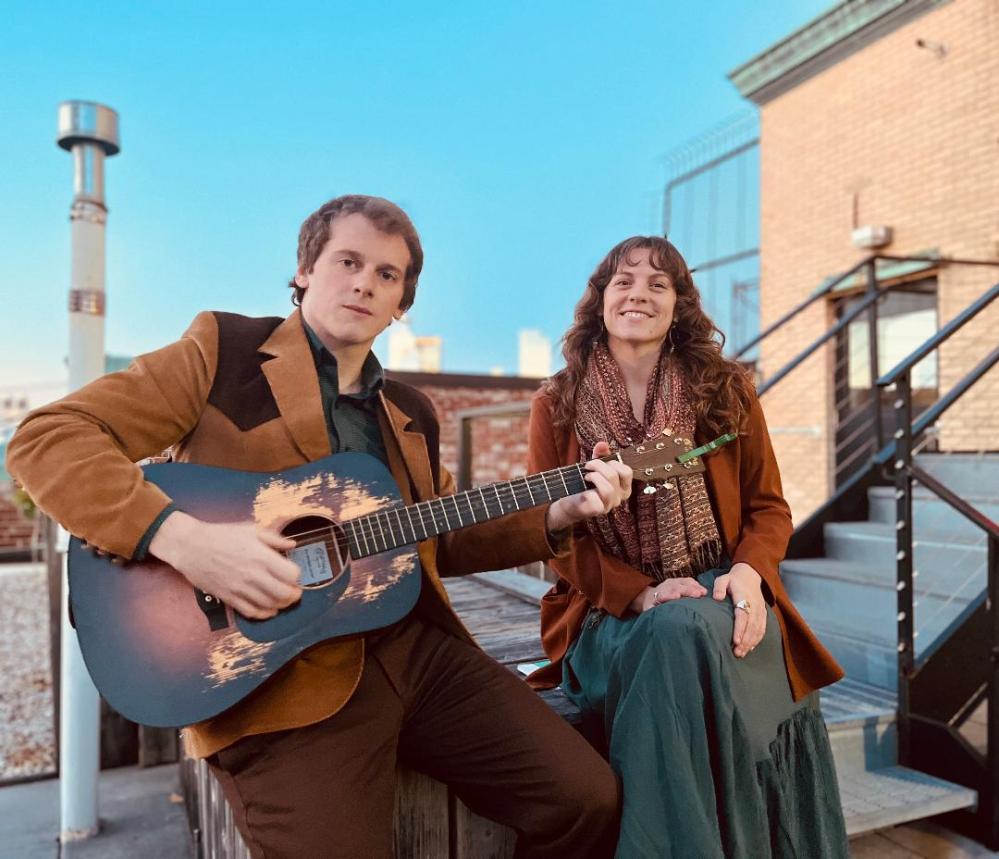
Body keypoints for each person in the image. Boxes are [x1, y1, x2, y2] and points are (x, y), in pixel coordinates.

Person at [8, 195, 633, 858]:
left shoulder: (410, 410)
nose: (365, 282)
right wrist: (188, 542)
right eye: (349, 261)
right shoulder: (224, 352)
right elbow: (46, 439)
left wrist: (562, 510)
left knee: (584, 797)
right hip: (276, 678)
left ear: (400, 306)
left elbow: (438, 534)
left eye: (388, 275)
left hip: (415, 654)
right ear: (305, 270)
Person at [527, 235, 850, 858]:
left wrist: (752, 576)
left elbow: (768, 507)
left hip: (725, 590)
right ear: (600, 301)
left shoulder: (724, 390)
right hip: (607, 614)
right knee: (675, 632)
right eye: (623, 282)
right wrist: (642, 592)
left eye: (657, 284)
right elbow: (555, 534)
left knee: (690, 629)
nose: (638, 295)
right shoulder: (556, 402)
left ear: (680, 305)